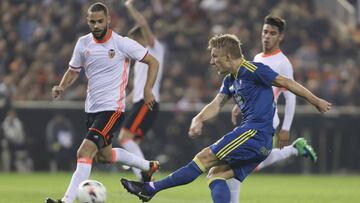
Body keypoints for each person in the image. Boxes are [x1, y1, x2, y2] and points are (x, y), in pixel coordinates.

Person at [121, 34, 331, 202]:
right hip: (259, 140)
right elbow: (216, 104)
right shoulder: (231, 79)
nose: (212, 62)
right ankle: (150, 189)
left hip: (255, 133)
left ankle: (150, 188)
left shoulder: (252, 69)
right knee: (215, 175)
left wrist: (316, 101)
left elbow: (286, 82)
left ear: (228, 56)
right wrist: (199, 118)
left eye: (215, 56)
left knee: (203, 158)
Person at [46, 2, 160, 203]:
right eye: (92, 21)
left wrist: (147, 89)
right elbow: (74, 70)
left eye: (100, 21)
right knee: (104, 156)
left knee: (85, 151)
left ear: (108, 20)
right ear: (87, 21)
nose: (97, 25)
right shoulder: (83, 43)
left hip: (113, 109)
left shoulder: (121, 43)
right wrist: (62, 86)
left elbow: (153, 61)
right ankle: (147, 166)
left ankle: (66, 200)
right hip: (92, 109)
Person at [227, 15, 318, 203]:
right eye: (265, 32)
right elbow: (251, 87)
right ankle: (295, 149)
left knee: (235, 168)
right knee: (247, 165)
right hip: (252, 118)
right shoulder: (257, 57)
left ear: (280, 37)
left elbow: (290, 96)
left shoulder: (283, 63)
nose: (267, 36)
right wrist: (239, 104)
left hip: (267, 119)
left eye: (272, 33)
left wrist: (286, 128)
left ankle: (294, 149)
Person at [118, 0, 165, 182]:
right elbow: (137, 87)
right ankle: (145, 178)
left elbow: (143, 23)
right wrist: (125, 100)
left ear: (143, 38)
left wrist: (130, 6)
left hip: (147, 102)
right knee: (132, 142)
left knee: (125, 138)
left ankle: (145, 175)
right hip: (141, 102)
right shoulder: (140, 59)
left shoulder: (154, 49)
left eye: (134, 40)